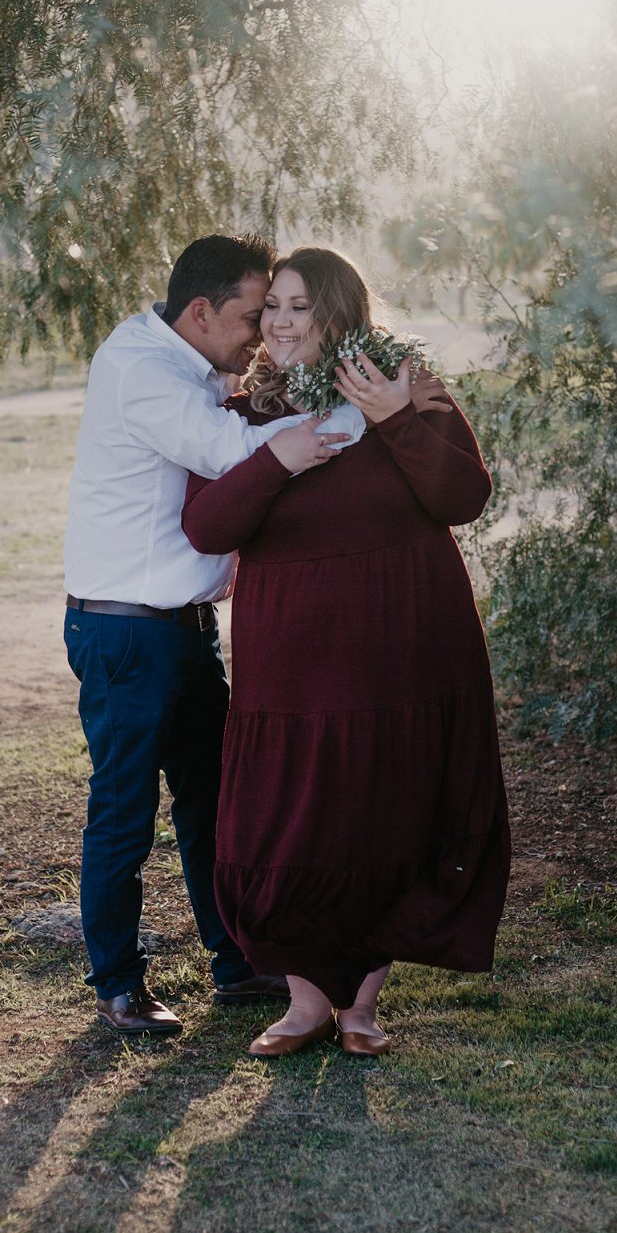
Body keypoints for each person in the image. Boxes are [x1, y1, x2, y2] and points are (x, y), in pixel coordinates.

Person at [182, 247, 511, 1057]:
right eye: (273, 309)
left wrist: (397, 418)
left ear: (342, 313)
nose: (281, 323)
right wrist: (277, 459)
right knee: (283, 825)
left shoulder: (404, 387)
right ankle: (303, 1002)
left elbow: (463, 497)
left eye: (301, 306)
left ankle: (360, 1005)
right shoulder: (242, 411)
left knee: (387, 815)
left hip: (406, 641)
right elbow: (207, 526)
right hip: (292, 654)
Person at [64, 233, 349, 1038]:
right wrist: (337, 428)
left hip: (185, 630)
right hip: (125, 632)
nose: (261, 334)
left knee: (211, 805)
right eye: (251, 317)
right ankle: (118, 985)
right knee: (124, 810)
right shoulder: (142, 370)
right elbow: (226, 454)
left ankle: (234, 963)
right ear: (199, 311)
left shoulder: (187, 361)